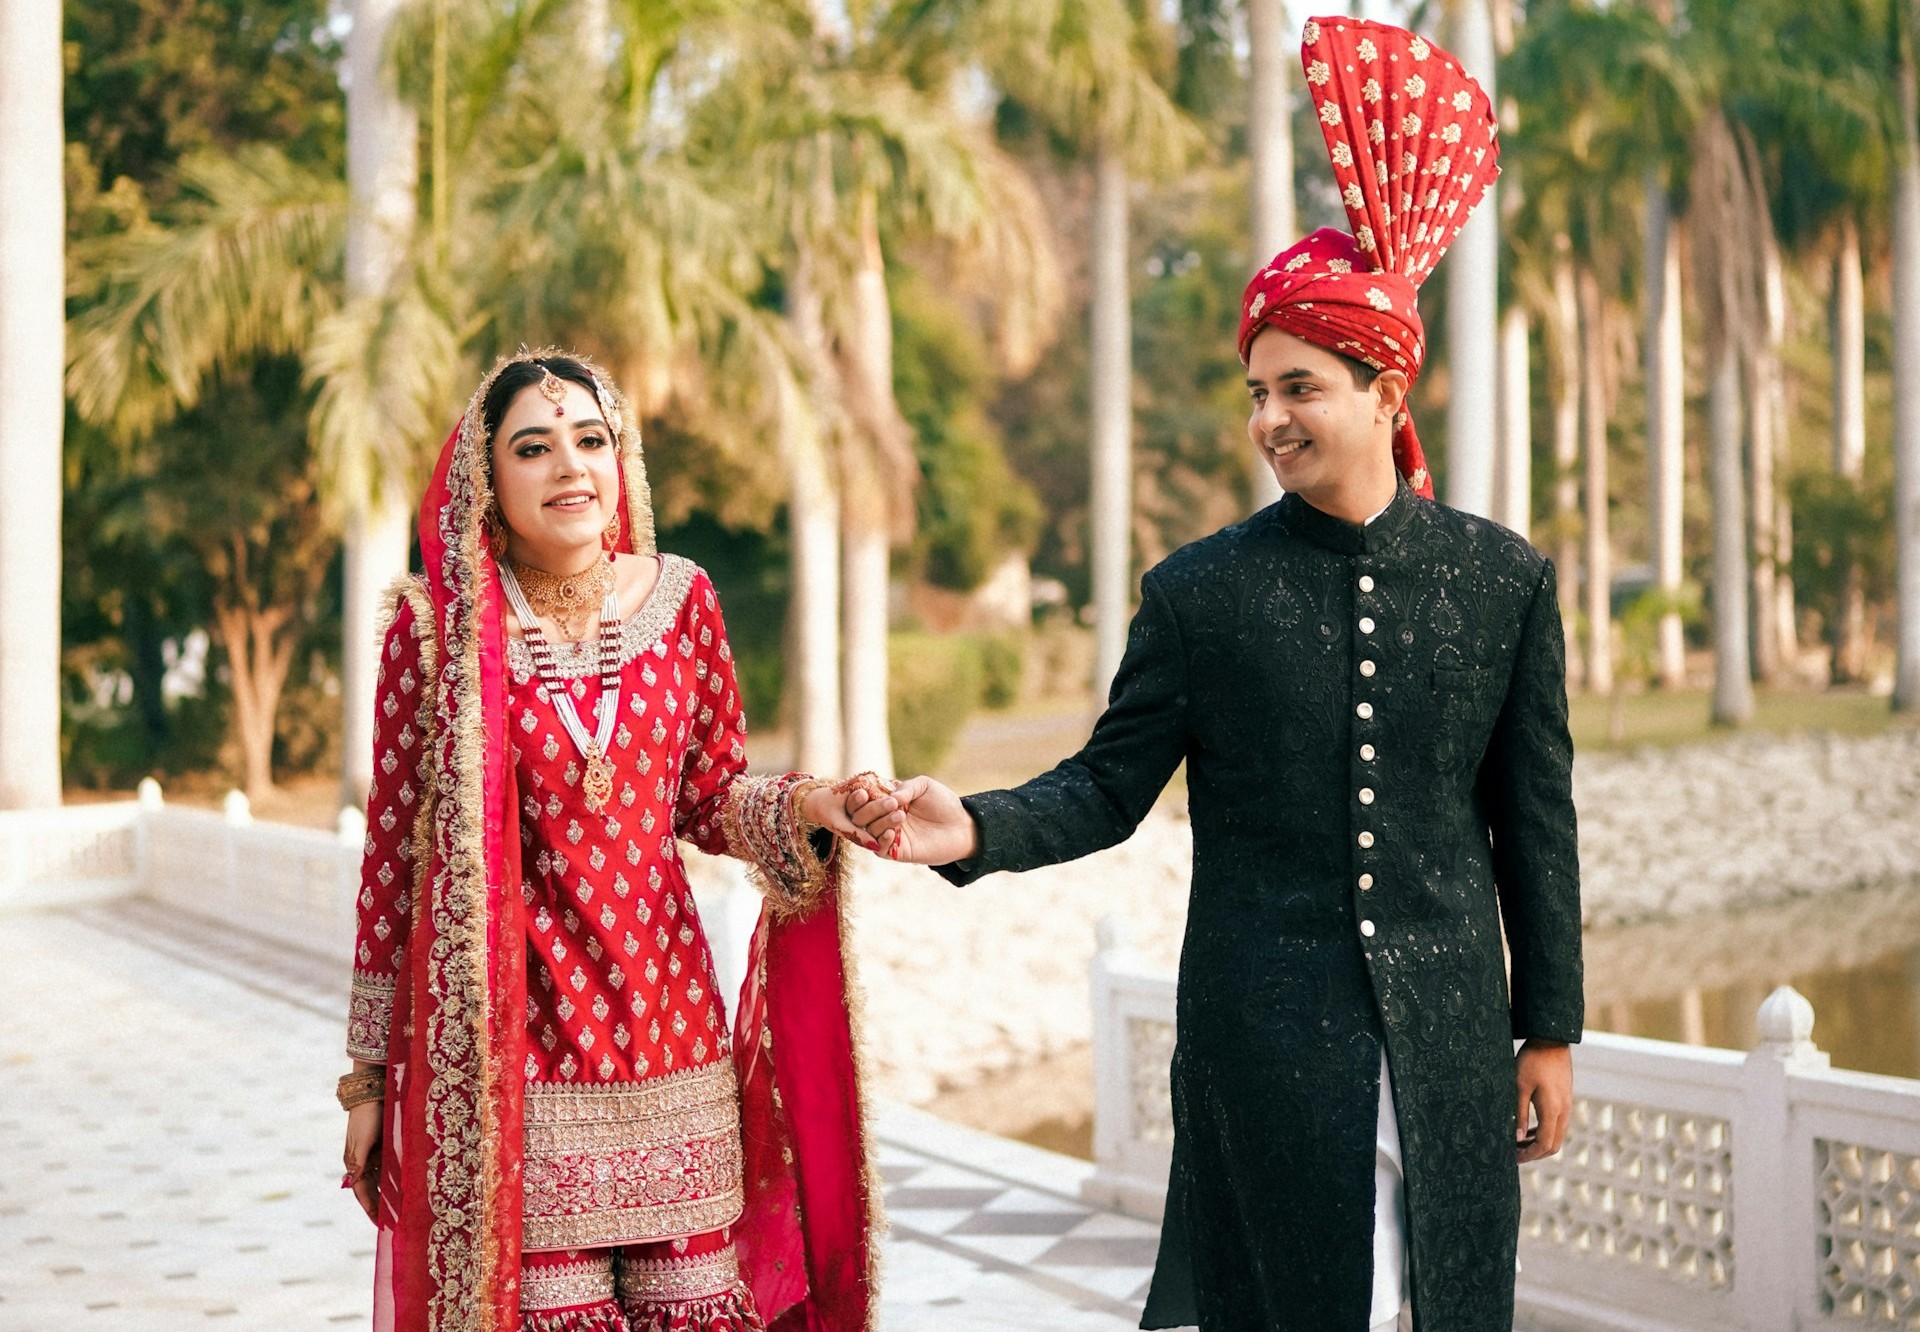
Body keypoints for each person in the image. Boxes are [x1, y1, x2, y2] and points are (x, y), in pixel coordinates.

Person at [847, 17, 1581, 1332]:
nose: (1268, 421)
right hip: (1265, 1043)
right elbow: (1106, 788)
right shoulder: (1202, 593)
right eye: (1255, 392)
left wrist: (1552, 1030)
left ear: (1384, 388)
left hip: (1453, 1039)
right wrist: (976, 828)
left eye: (1299, 387)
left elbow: (1534, 826)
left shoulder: (1502, 581)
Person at [337, 350, 883, 1332]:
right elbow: (392, 868)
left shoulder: (683, 602)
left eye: (589, 440)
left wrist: (811, 805)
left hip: (674, 1042)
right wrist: (369, 1081)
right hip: (519, 1062)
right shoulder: (438, 633)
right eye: (532, 449)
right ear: (487, 481)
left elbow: (710, 796)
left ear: (618, 458)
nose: (569, 467)